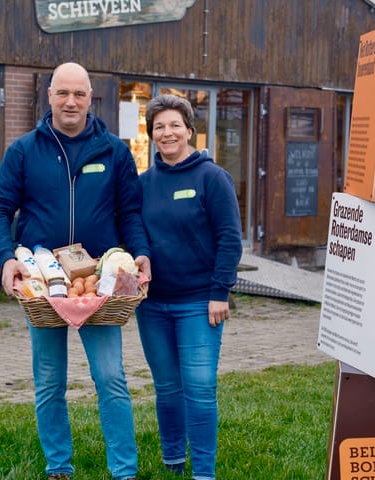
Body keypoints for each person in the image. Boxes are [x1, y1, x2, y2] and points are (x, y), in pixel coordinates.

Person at [0, 62, 150, 480]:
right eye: (63, 93)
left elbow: (130, 212)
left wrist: (141, 253)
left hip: (100, 284)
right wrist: (6, 258)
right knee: (48, 382)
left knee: (111, 378)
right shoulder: (24, 150)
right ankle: (59, 466)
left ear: (90, 96)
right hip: (43, 284)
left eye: (79, 94)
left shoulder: (114, 150)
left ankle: (124, 471)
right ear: (49, 96)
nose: (71, 102)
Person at [136, 94, 243, 480]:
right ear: (152, 135)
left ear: (189, 131)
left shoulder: (211, 177)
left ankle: (203, 472)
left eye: (174, 125)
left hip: (200, 302)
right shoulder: (143, 183)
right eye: (159, 127)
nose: (167, 133)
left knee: (198, 389)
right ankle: (173, 462)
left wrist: (220, 291)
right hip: (153, 306)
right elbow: (137, 235)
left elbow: (230, 238)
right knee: (166, 388)